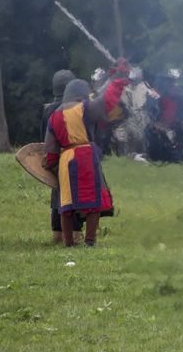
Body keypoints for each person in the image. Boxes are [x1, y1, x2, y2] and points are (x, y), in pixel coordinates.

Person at [43, 61, 130, 247]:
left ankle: (68, 243)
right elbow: (108, 100)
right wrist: (119, 79)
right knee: (92, 202)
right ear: (82, 94)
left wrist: (51, 164)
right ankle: (90, 241)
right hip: (85, 156)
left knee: (66, 204)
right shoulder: (84, 108)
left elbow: (50, 149)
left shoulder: (54, 115)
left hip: (65, 159)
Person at [41, 69, 82, 243]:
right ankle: (74, 233)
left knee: (58, 193)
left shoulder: (47, 109)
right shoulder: (71, 108)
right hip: (70, 156)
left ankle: (57, 233)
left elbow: (43, 138)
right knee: (73, 195)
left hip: (53, 158)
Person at [112, 66, 158, 160]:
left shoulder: (144, 87)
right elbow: (121, 103)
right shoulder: (125, 88)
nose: (132, 82)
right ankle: (127, 154)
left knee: (140, 134)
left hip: (142, 115)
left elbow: (154, 99)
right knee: (121, 134)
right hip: (127, 116)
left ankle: (143, 153)